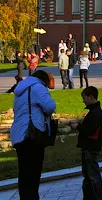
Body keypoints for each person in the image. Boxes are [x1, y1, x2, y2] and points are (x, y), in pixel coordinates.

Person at [12, 70, 56, 200]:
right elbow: (50, 106)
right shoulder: (38, 87)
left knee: (24, 172)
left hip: (19, 134)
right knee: (33, 172)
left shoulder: (20, 90)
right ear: (43, 81)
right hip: (32, 134)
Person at [76, 86, 102, 200]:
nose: (83, 100)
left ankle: (96, 197)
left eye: (84, 98)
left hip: (90, 147)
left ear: (91, 97)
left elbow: (89, 130)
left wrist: (77, 126)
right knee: (88, 175)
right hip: (89, 147)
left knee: (92, 176)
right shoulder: (94, 111)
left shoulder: (95, 113)